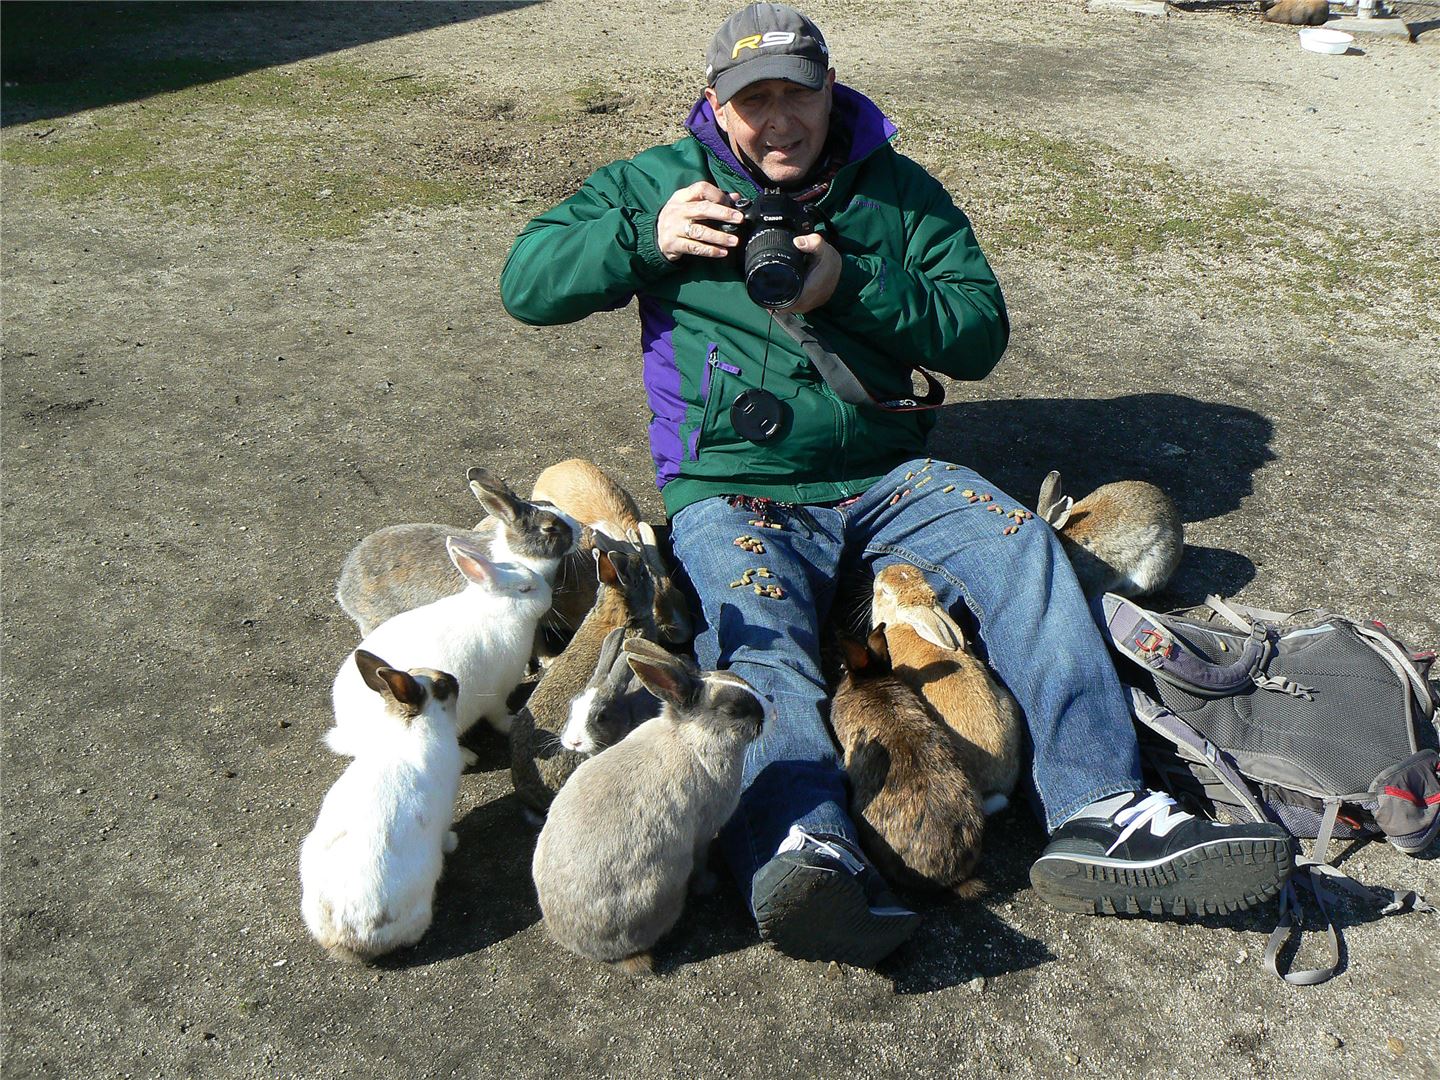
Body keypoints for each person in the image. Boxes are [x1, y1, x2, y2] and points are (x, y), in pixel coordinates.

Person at [500, 3, 1291, 968]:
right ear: (716, 104)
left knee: (1022, 550)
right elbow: (526, 284)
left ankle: (1106, 811)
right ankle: (802, 845)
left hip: (891, 471)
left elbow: (980, 332)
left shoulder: (899, 192)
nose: (780, 119)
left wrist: (851, 284)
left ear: (833, 90)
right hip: (736, 486)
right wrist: (641, 234)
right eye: (755, 100)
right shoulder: (656, 185)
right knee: (757, 633)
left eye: (800, 93)